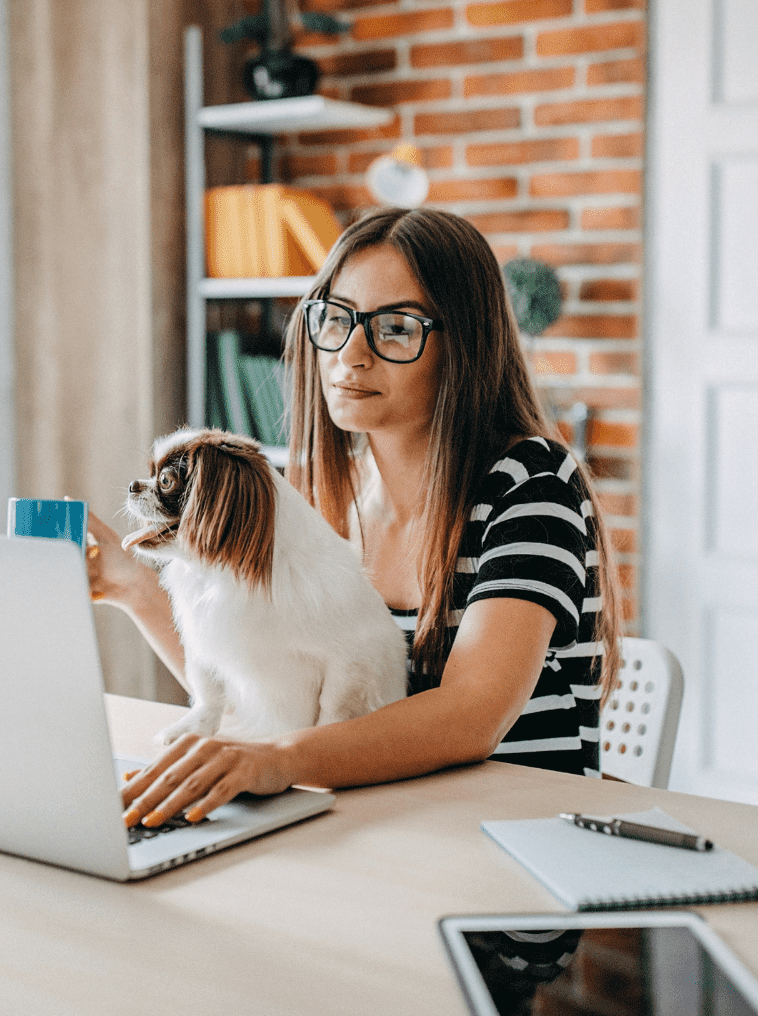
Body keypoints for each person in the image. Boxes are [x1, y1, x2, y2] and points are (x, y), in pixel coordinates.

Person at [85, 207, 623, 830]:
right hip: (388, 828)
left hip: (518, 840)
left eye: (395, 327)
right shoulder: (323, 495)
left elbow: (473, 714)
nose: (351, 354)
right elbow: (268, 685)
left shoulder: (530, 486)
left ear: (466, 346)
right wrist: (132, 589)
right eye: (335, 320)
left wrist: (277, 760)